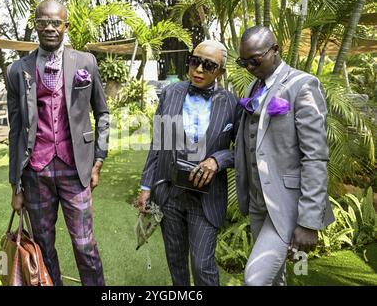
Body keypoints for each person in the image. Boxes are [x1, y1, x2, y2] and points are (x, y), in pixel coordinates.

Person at [6, 0, 109, 286]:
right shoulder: (17, 70)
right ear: (35, 25)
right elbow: (15, 131)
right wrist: (16, 185)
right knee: (43, 245)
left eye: (55, 23)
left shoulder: (85, 61)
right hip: (35, 172)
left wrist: (98, 161)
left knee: (85, 245)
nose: (49, 28)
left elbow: (102, 113)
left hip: (75, 168)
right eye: (43, 22)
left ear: (66, 26)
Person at [235, 26, 334, 286]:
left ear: (275, 50)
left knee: (255, 280)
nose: (249, 67)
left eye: (254, 60)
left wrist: (309, 221)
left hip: (288, 203)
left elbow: (315, 157)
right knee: (275, 279)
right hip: (259, 202)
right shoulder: (253, 88)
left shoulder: (303, 85)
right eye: (243, 62)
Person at [134, 40, 239, 286]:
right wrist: (146, 187)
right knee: (176, 262)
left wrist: (218, 159)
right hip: (169, 193)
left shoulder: (232, 104)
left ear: (220, 72)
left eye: (208, 65)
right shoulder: (171, 92)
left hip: (206, 198)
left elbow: (243, 151)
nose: (199, 69)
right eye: (194, 61)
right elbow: (157, 143)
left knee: (202, 266)